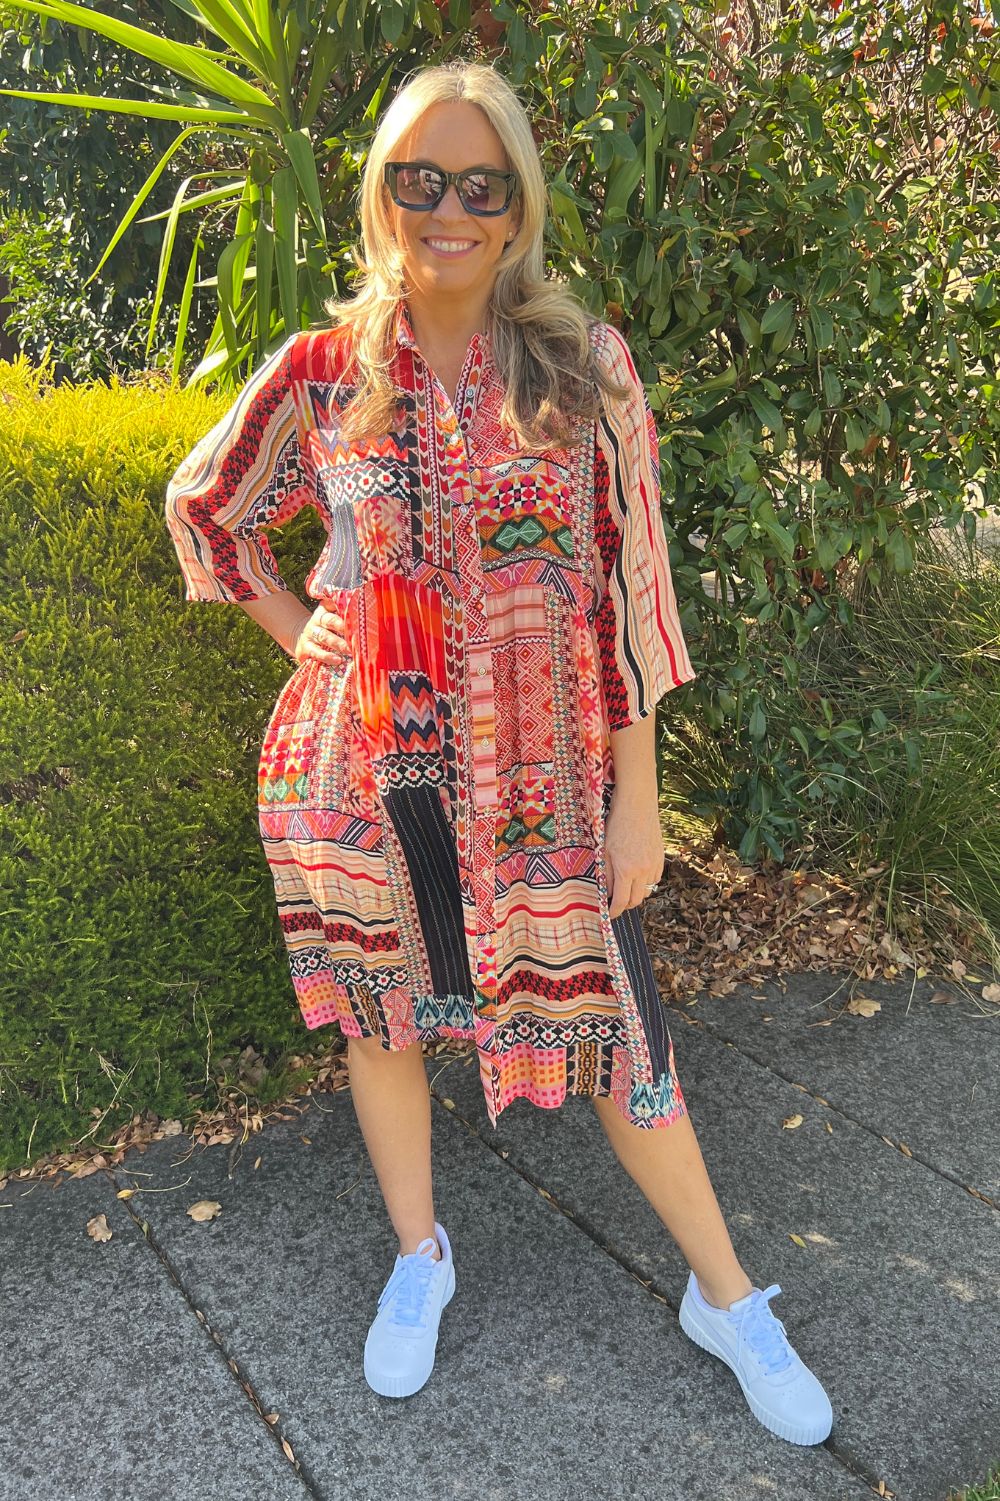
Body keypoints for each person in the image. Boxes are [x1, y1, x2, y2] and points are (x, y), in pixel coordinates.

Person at [164, 59, 833, 1441]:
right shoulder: (325, 372)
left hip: (547, 784)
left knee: (624, 1033)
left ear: (519, 206)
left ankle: (726, 1297)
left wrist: (638, 796)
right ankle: (421, 1254)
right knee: (382, 1015)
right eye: (422, 180)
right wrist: (302, 627)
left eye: (482, 184)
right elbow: (205, 506)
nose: (450, 210)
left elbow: (633, 588)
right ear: (383, 196)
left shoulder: (583, 371)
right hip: (364, 774)